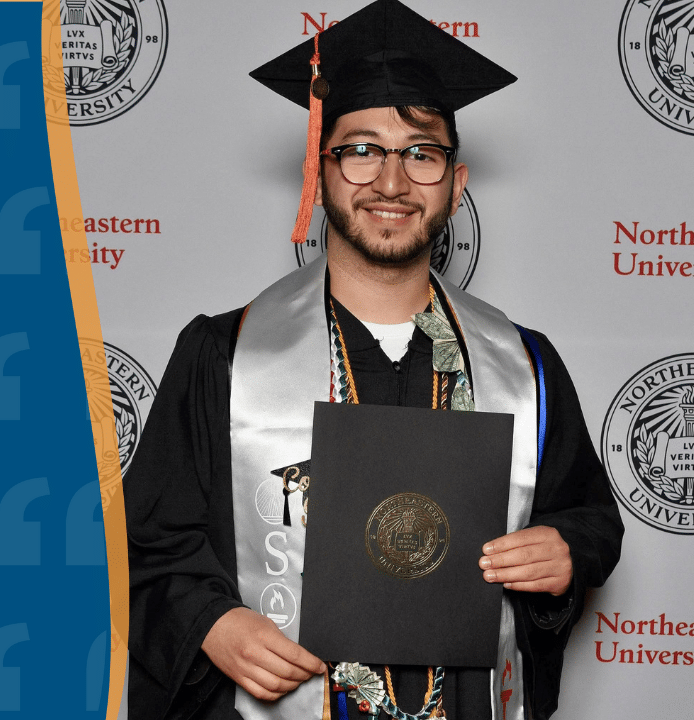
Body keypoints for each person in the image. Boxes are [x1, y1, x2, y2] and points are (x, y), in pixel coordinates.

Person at [124, 1, 624, 719]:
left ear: (457, 182)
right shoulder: (222, 357)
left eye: (422, 153)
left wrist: (567, 553)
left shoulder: (526, 366)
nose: (391, 182)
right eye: (361, 149)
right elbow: (147, 547)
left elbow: (588, 517)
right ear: (319, 169)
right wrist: (212, 623)